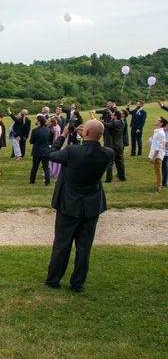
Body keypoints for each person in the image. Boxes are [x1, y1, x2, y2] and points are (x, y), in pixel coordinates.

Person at [44, 120, 115, 292]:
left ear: (86, 132)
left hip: (69, 203)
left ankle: (54, 279)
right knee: (84, 247)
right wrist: (92, 134)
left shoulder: (72, 152)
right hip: (91, 204)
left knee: (62, 243)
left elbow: (51, 153)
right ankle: (77, 283)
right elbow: (98, 147)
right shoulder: (107, 153)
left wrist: (63, 135)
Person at [101, 110, 126, 182]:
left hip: (113, 145)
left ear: (115, 116)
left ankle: (109, 179)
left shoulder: (114, 123)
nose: (111, 116)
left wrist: (99, 121)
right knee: (120, 162)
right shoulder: (122, 122)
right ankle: (122, 177)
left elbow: (108, 125)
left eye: (112, 115)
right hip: (120, 144)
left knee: (110, 162)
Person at [29, 115, 52, 185]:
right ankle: (47, 181)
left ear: (39, 121)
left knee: (35, 167)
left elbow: (31, 141)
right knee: (46, 167)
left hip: (37, 151)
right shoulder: (48, 130)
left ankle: (32, 180)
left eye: (36, 119)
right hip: (46, 150)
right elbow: (49, 140)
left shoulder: (35, 130)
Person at [149, 117, 167, 193]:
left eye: (158, 120)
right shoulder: (157, 131)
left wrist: (154, 157)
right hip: (155, 154)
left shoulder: (160, 133)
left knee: (158, 171)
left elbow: (159, 146)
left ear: (161, 123)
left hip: (157, 155)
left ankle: (159, 187)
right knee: (157, 171)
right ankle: (158, 185)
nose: (156, 120)